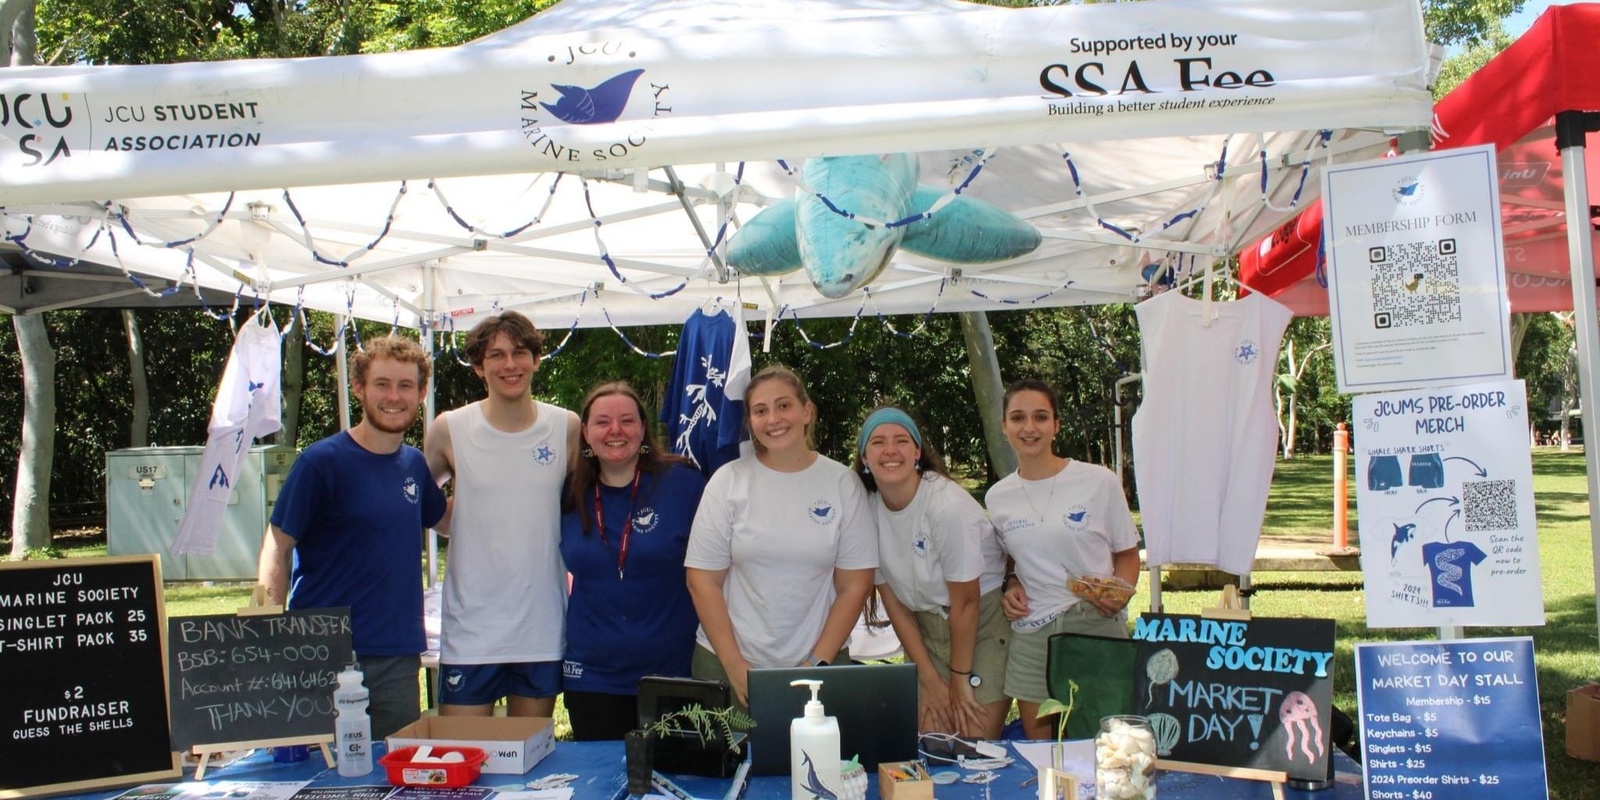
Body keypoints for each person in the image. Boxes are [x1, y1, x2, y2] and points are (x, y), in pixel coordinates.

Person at [258, 335, 446, 740]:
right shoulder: (321, 462)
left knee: (394, 772)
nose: (393, 396)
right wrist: (269, 633)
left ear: (421, 394)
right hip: (324, 653)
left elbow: (446, 520)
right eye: (382, 384)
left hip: (397, 654)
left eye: (405, 386)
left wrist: (497, 470)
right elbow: (277, 544)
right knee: (320, 775)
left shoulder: (413, 464)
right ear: (359, 388)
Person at [685, 365, 878, 707]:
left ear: (807, 411)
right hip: (726, 663)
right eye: (760, 411)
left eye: (783, 405)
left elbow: (855, 585)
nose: (773, 418)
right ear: (750, 422)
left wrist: (817, 663)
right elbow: (702, 581)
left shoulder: (841, 483)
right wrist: (736, 666)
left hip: (822, 665)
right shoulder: (727, 482)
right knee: (732, 762)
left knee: (820, 761)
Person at [423, 311, 580, 717]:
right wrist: (452, 518)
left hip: (540, 625)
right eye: (496, 355)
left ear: (536, 360)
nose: (510, 364)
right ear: (479, 366)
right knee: (464, 758)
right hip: (471, 629)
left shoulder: (566, 426)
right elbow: (420, 500)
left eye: (520, 352)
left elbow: (581, 504)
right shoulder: (450, 428)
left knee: (531, 764)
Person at [985, 378, 1141, 740]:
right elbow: (1010, 560)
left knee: (1106, 741)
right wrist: (1010, 585)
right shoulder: (998, 497)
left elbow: (1128, 554)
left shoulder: (1098, 481)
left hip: (1095, 623)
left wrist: (1120, 591)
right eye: (1018, 418)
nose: (1029, 428)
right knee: (1042, 749)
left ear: (1056, 424)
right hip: (1032, 630)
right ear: (1004, 426)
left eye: (1040, 417)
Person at [559, 382, 708, 740]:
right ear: (585, 433)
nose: (615, 431)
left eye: (627, 420)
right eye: (602, 422)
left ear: (642, 428)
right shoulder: (567, 491)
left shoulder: (683, 483)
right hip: (593, 676)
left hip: (672, 674)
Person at [854, 406, 1011, 740]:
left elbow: (966, 603)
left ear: (917, 452)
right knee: (932, 745)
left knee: (974, 745)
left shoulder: (946, 507)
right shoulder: (866, 510)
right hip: (924, 630)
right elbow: (893, 602)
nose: (890, 450)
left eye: (901, 440)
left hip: (977, 625)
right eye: (878, 442)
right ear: (865, 458)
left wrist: (959, 680)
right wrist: (927, 676)